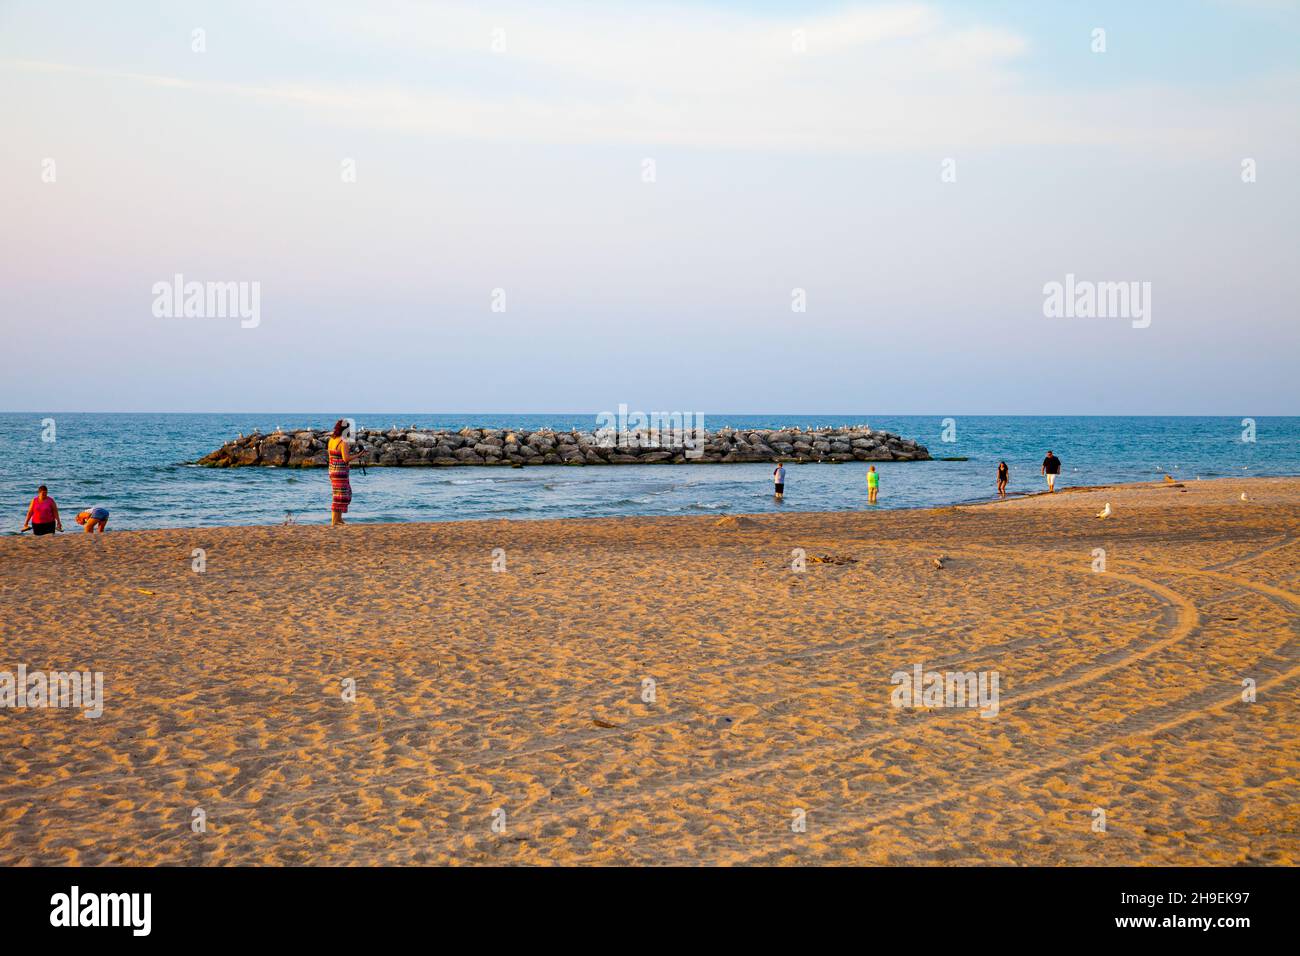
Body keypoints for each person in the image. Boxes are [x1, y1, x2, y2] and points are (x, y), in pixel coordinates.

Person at [328, 419, 356, 526]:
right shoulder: (343, 442)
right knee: (342, 495)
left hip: (333, 470)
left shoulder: (331, 440)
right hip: (340, 472)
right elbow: (346, 459)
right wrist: (359, 455)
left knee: (340, 494)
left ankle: (339, 519)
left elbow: (331, 456)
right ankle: (335, 521)